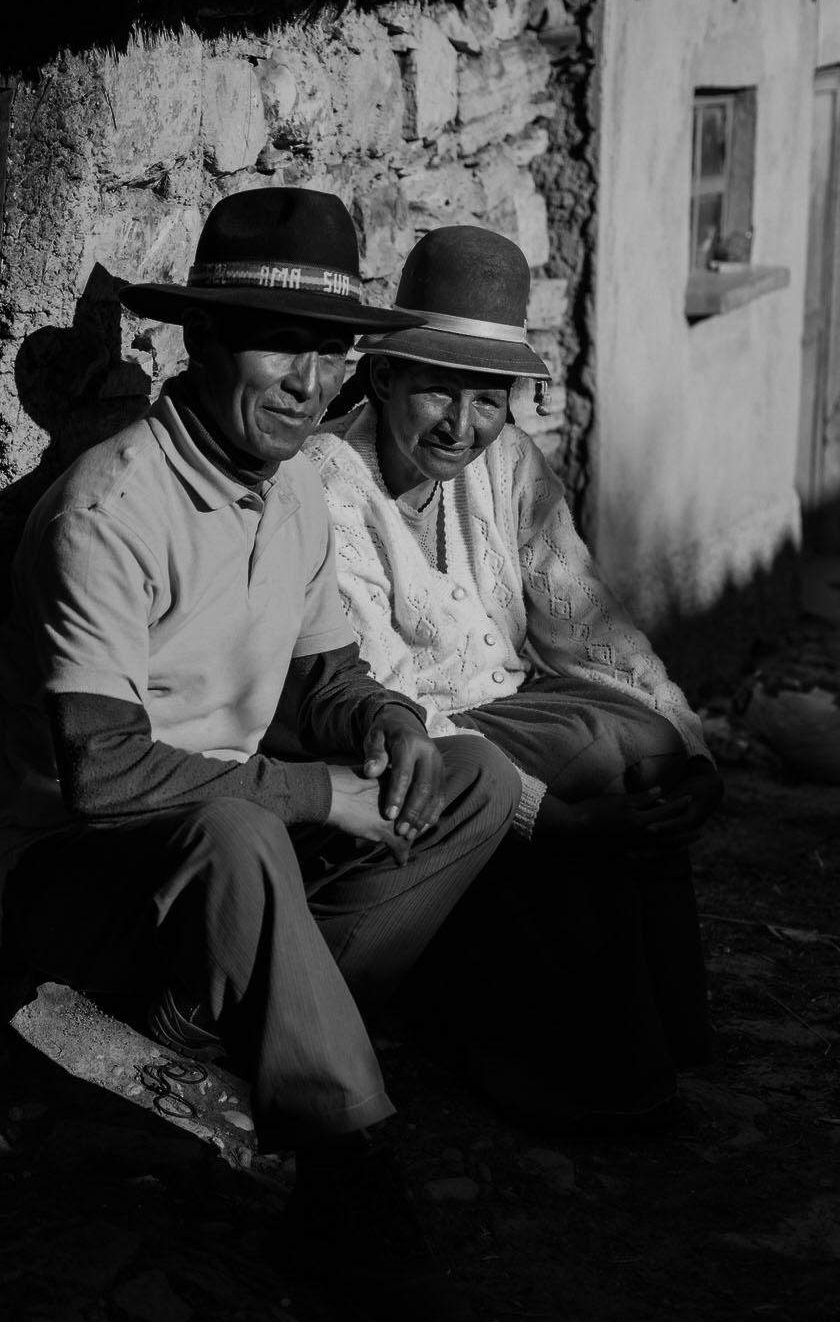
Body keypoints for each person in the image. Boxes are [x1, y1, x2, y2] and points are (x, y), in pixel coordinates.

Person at [0, 187, 519, 1322]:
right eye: (280, 345)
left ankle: (233, 1019)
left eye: (331, 351)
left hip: (226, 848)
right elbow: (103, 774)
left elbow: (322, 677)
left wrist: (387, 723)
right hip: (77, 873)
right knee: (242, 832)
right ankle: (350, 1181)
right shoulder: (110, 511)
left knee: (473, 777)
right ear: (205, 340)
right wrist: (321, 793)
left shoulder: (296, 487)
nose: (309, 382)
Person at [302, 224, 717, 1125]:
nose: (462, 426)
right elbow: (375, 699)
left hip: (508, 716)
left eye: (488, 400)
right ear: (383, 377)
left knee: (646, 742)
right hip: (411, 748)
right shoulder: (327, 486)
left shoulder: (508, 464)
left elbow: (589, 625)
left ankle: (655, 1035)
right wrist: (553, 819)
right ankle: (569, 1066)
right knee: (596, 752)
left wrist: (693, 751)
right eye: (436, 392)